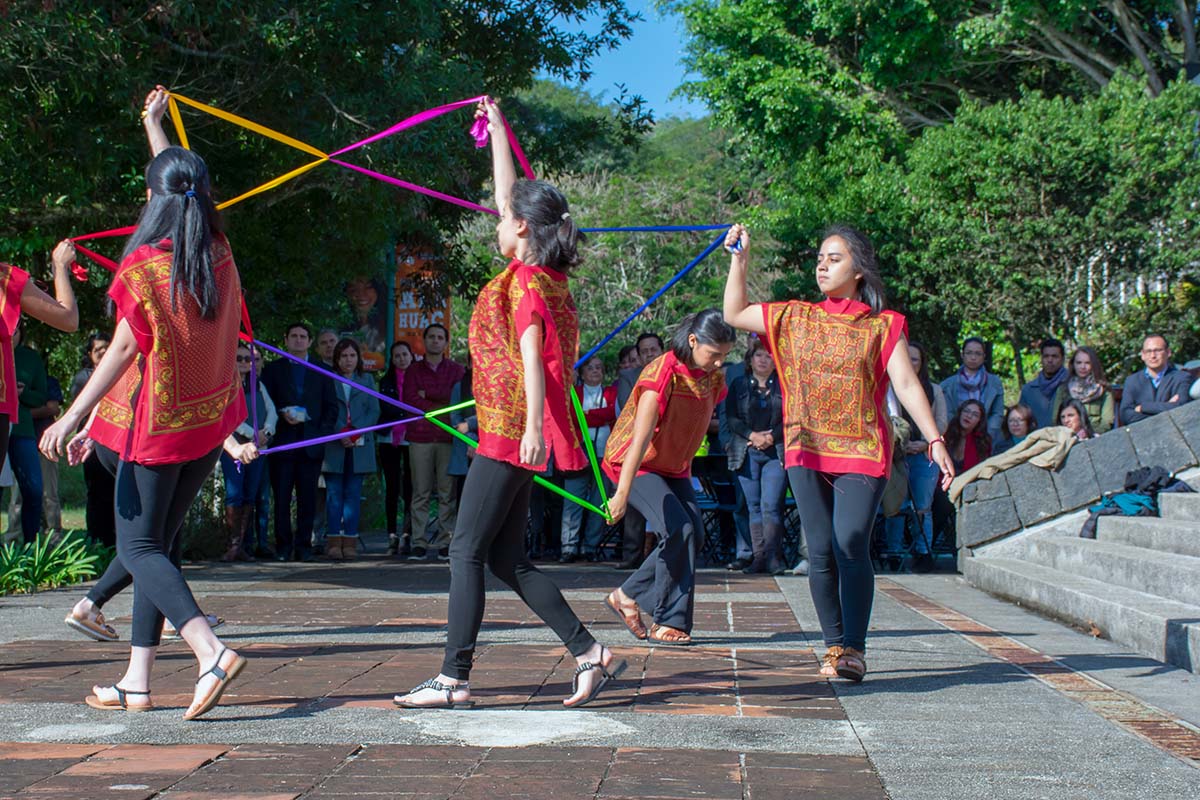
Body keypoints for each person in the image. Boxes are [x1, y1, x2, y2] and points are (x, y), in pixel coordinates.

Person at [394, 97, 622, 710]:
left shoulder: (525, 282)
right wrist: (498, 131)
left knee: (465, 549)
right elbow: (508, 197)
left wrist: (528, 431)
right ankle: (588, 651)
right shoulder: (548, 276)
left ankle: (453, 678)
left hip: (508, 432)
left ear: (523, 228)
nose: (496, 221)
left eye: (505, 218)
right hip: (516, 430)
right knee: (504, 558)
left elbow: (531, 350)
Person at [40, 142, 256, 720]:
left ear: (150, 200)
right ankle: (137, 681)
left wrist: (73, 414)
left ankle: (211, 653)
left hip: (158, 431)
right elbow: (182, 183)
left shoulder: (145, 268)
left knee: (139, 547)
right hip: (209, 428)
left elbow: (123, 349)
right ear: (203, 196)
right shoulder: (220, 254)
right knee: (156, 548)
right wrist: (159, 133)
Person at [723, 223, 953, 683]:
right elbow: (735, 312)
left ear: (859, 270)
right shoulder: (795, 317)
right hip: (805, 449)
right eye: (820, 258)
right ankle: (835, 647)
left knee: (850, 541)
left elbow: (906, 384)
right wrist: (740, 260)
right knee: (822, 549)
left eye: (834, 258)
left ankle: (856, 646)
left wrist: (934, 438)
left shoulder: (884, 326)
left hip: (863, 449)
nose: (822, 266)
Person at [604, 310, 734, 645]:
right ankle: (668, 620)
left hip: (675, 467)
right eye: (714, 354)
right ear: (693, 341)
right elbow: (640, 438)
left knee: (695, 535)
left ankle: (628, 595)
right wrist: (621, 493)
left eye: (725, 355)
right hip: (636, 462)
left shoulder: (713, 376)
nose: (720, 363)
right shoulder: (662, 372)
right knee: (679, 529)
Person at [261, 322, 337, 561]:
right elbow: (264, 405)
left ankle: (304, 546)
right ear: (286, 339)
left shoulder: (322, 370)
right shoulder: (273, 370)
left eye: (303, 336)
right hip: (282, 443)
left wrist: (319, 432)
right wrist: (280, 417)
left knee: (308, 499)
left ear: (310, 341)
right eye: (293, 336)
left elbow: (331, 408)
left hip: (311, 445)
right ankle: (283, 547)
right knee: (281, 499)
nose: (298, 340)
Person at [882, 341, 948, 573]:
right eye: (906, 358)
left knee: (922, 505)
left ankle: (923, 551)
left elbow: (940, 421)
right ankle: (893, 551)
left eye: (915, 359)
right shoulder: (888, 387)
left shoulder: (935, 390)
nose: (910, 363)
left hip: (925, 453)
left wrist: (925, 443)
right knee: (895, 504)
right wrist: (902, 443)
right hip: (897, 453)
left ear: (922, 363)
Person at [725, 337, 788, 575]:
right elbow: (731, 418)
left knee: (771, 505)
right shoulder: (739, 385)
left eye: (768, 355)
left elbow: (792, 417)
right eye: (759, 355)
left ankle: (773, 558)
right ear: (750, 360)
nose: (764, 359)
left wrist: (772, 437)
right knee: (752, 506)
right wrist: (751, 434)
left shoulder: (784, 386)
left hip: (775, 452)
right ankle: (758, 557)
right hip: (746, 450)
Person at [404, 323, 465, 560]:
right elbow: (410, 400)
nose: (435, 341)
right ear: (425, 341)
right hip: (420, 437)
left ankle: (445, 542)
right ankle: (418, 542)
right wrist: (440, 405)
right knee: (420, 491)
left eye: (440, 337)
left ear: (446, 343)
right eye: (431, 337)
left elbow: (456, 401)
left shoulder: (457, 370)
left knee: (447, 492)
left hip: (448, 438)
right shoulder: (413, 370)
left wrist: (428, 399)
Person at [219, 342, 276, 562]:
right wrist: (251, 433)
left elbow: (272, 411)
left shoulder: (258, 385)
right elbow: (224, 415)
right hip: (233, 447)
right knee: (235, 493)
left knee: (251, 494)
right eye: (240, 358)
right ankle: (233, 545)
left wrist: (267, 432)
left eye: (248, 359)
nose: (244, 363)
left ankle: (243, 545)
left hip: (258, 447)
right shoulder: (226, 385)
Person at [323, 338, 380, 560]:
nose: (348, 360)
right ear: (337, 358)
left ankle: (350, 542)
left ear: (359, 358)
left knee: (353, 495)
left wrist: (356, 431)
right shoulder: (329, 379)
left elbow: (374, 412)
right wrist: (341, 432)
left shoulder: (367, 380)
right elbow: (326, 409)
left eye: (352, 355)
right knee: (334, 494)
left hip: (360, 443)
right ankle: (334, 542)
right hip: (334, 444)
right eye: (344, 356)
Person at [614, 332, 665, 569]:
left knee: (663, 503)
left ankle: (661, 554)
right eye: (644, 351)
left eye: (653, 349)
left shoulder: (671, 376)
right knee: (634, 504)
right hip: (636, 446)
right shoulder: (629, 376)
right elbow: (629, 408)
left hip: (665, 446)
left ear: (661, 350)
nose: (649, 354)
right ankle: (631, 555)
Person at [559, 354, 616, 562]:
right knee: (573, 499)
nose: (595, 371)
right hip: (579, 453)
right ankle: (569, 546)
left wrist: (590, 415)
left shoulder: (611, 392)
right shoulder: (575, 392)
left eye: (599, 368)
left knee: (599, 501)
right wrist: (597, 415)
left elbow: (612, 413)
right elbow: (574, 416)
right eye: (591, 368)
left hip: (604, 454)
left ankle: (591, 546)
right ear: (582, 373)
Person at [73, 333, 116, 546]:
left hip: (114, 440)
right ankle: (96, 539)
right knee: (97, 493)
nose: (103, 352)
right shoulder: (84, 378)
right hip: (91, 442)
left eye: (107, 348)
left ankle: (113, 542)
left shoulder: (119, 373)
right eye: (98, 349)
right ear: (89, 354)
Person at [379, 340, 415, 557]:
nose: (402, 359)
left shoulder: (417, 378)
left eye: (405, 354)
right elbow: (385, 407)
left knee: (411, 487)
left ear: (411, 356)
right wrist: (401, 418)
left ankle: (407, 534)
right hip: (389, 438)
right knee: (391, 486)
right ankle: (391, 533)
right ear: (392, 360)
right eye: (397, 356)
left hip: (412, 438)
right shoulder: (385, 382)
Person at [940, 337, 1005, 443]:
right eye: (969, 353)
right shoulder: (947, 385)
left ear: (984, 356)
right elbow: (947, 414)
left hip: (986, 439)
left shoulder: (994, 382)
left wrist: (986, 435)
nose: (973, 357)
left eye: (978, 354)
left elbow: (997, 413)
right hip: (955, 439)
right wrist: (957, 433)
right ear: (962, 355)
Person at [1118, 334, 1193, 424]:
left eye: (1158, 350)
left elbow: (1181, 408)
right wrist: (1166, 408)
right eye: (1148, 351)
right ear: (1142, 355)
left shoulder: (1182, 378)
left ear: (1168, 352)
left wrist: (1143, 407)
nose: (1153, 355)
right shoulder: (1132, 381)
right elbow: (1125, 415)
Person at [1051, 346, 1114, 434]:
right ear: (1073, 365)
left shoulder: (1104, 390)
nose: (1082, 367)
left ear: (1093, 365)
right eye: (1079, 363)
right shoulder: (1063, 389)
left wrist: (1088, 433)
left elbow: (1107, 422)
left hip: (1096, 436)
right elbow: (1055, 420)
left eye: (1087, 363)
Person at [1018, 338, 1068, 429]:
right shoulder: (1029, 390)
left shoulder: (1072, 386)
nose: (1050, 360)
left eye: (1054, 356)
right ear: (1041, 358)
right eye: (1046, 356)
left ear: (1062, 359)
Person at [945, 400, 992, 472]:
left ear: (979, 420)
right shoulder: (946, 434)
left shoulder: (983, 442)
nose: (969, 416)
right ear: (960, 413)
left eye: (975, 415)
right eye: (966, 411)